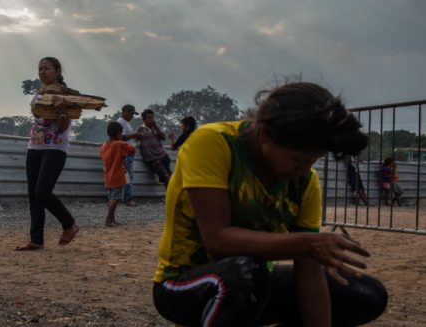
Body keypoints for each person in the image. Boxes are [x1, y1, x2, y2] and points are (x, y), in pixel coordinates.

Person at [152, 82, 387, 326]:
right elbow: (218, 242)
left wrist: (310, 249)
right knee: (245, 271)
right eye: (298, 159)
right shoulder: (214, 143)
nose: (304, 170)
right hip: (182, 284)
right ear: (265, 135)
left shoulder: (305, 182)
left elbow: (309, 272)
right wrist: (308, 244)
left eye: (313, 161)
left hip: (255, 283)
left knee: (366, 294)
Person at [16, 57, 79, 251]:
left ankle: (69, 224)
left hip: (55, 148)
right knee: (33, 196)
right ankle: (36, 240)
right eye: (40, 69)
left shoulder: (66, 96)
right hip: (34, 147)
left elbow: (63, 125)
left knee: (42, 191)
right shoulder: (38, 94)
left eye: (47, 68)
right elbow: (38, 120)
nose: (43, 72)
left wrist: (61, 110)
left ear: (58, 71)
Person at [99, 122, 135, 227]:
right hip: (118, 175)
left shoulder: (104, 145)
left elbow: (102, 155)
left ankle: (112, 219)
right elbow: (132, 150)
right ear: (119, 134)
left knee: (112, 198)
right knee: (116, 199)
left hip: (108, 176)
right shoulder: (120, 144)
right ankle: (108, 220)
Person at [136, 109, 172, 186]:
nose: (151, 120)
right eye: (149, 118)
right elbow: (135, 140)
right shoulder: (140, 129)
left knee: (170, 178)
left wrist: (155, 127)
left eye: (152, 118)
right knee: (166, 177)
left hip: (163, 157)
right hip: (153, 160)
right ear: (144, 119)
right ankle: (170, 197)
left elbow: (163, 137)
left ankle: (169, 196)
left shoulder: (155, 128)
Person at [116, 104, 141, 206]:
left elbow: (128, 137)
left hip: (128, 152)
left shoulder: (126, 123)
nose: (132, 116)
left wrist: (136, 135)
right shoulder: (120, 122)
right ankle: (127, 199)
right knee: (128, 176)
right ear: (125, 112)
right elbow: (121, 137)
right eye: (131, 113)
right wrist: (135, 135)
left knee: (127, 176)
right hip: (124, 153)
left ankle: (123, 198)